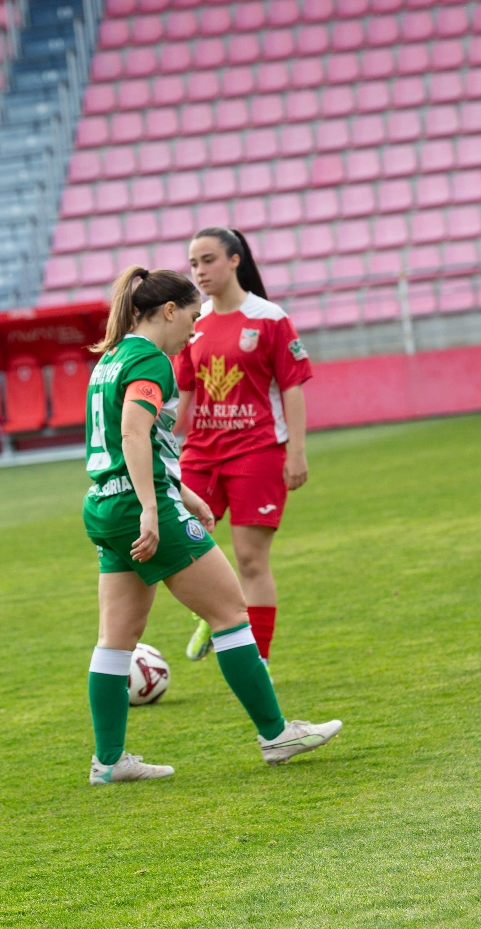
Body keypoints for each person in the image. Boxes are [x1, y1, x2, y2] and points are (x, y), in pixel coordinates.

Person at [80, 266, 342, 784]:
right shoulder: (150, 360)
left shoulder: (111, 358)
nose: (195, 329)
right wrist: (153, 508)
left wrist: (185, 493)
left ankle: (108, 762)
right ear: (168, 311)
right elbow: (133, 434)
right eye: (192, 316)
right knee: (230, 613)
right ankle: (276, 735)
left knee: (116, 637)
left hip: (105, 504)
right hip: (139, 506)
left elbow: (127, 442)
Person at [174, 228, 312, 664]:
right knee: (179, 545)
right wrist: (163, 442)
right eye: (193, 264)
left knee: (251, 560)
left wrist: (296, 452)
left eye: (208, 260)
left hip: (258, 452)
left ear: (235, 260)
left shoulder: (269, 318)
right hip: (201, 453)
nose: (199, 271)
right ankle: (217, 612)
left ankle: (259, 662)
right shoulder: (194, 323)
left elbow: (291, 387)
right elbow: (185, 390)